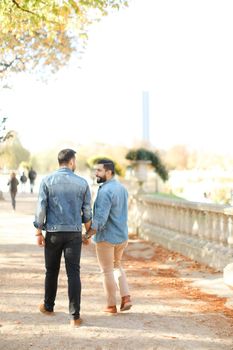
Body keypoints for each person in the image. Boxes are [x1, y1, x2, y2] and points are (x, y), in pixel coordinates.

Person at [33, 148, 92, 327]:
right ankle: (75, 316)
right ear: (72, 162)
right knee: (73, 273)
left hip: (53, 233)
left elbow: (41, 209)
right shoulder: (82, 183)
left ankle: (49, 306)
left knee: (51, 271)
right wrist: (88, 233)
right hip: (74, 234)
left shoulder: (46, 181)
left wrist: (38, 232)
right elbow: (87, 211)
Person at [83, 159, 132, 314]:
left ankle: (111, 306)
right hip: (122, 236)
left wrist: (87, 235)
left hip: (107, 238)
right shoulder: (122, 188)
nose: (96, 173)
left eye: (99, 170)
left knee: (106, 270)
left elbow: (100, 220)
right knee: (117, 265)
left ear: (109, 172)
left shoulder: (105, 191)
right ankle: (126, 298)